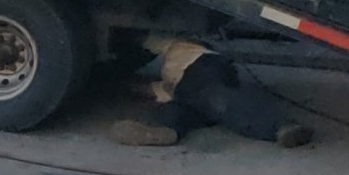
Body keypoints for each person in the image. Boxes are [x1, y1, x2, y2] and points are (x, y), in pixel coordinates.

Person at [111, 34, 314, 148]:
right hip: (186, 91)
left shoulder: (178, 47)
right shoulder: (163, 83)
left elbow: (146, 41)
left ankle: (280, 127)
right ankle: (169, 130)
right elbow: (151, 91)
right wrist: (130, 86)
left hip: (198, 67)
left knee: (219, 101)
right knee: (180, 108)